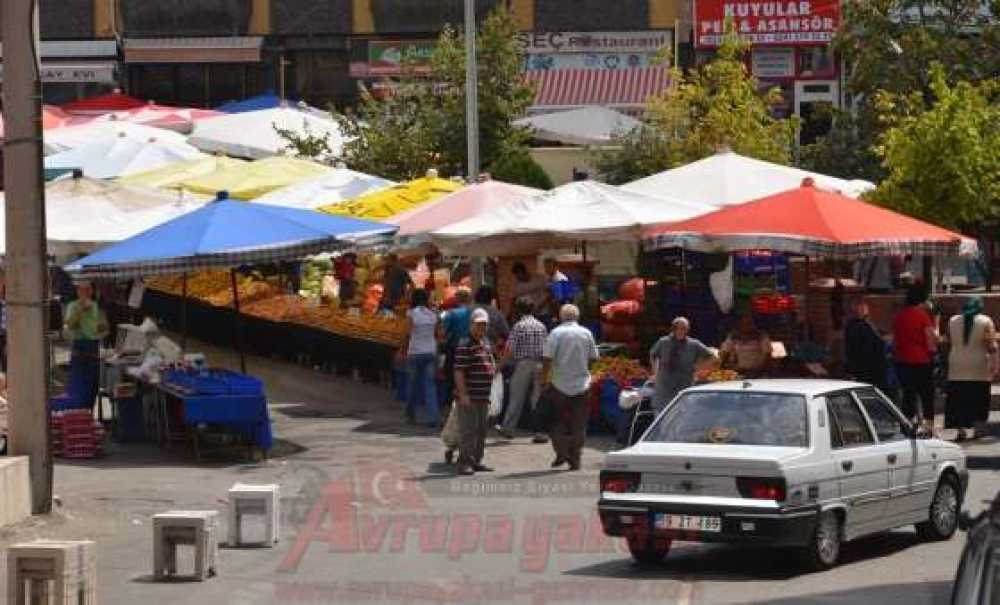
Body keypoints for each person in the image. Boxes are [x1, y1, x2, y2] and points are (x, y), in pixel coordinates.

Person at [543, 304, 599, 471]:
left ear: (561, 317)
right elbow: (594, 358)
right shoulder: (586, 333)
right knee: (579, 424)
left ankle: (562, 452)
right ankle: (576, 458)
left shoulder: (556, 333)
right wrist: (586, 370)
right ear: (577, 317)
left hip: (559, 384)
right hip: (582, 384)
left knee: (557, 421)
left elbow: (547, 359)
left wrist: (544, 381)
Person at [496, 297, 548, 442]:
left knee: (516, 397)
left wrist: (499, 366)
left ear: (518, 310)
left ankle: (508, 428)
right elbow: (547, 348)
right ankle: (540, 431)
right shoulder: (541, 326)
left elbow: (509, 349)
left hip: (524, 364)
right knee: (537, 399)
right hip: (540, 364)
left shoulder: (519, 326)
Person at [453, 308, 498, 476]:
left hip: (483, 396)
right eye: (478, 325)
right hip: (470, 396)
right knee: (468, 430)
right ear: (471, 324)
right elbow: (459, 371)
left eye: (484, 325)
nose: (482, 328)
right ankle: (464, 462)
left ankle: (476, 460)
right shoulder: (465, 344)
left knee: (481, 430)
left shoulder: (484, 343)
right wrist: (463, 394)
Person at [946, 298, 996, 441]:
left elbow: (949, 341)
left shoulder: (953, 320)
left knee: (958, 399)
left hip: (956, 365)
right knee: (978, 398)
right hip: (978, 365)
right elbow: (991, 345)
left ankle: (960, 430)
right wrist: (995, 362)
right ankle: (977, 430)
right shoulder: (986, 321)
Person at [649, 317, 718, 413]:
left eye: (684, 328)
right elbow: (653, 355)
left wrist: (698, 369)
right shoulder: (663, 342)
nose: (680, 331)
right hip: (663, 389)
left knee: (679, 419)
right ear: (673, 329)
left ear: (687, 330)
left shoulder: (693, 344)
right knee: (661, 421)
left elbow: (713, 357)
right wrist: (655, 372)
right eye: (678, 328)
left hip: (683, 388)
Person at [893, 285, 939, 423]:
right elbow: (931, 340)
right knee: (927, 395)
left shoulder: (899, 316)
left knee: (908, 395)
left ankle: (908, 424)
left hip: (902, 361)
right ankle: (929, 426)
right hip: (921, 361)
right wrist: (937, 322)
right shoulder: (922, 316)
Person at [64, 281, 109, 409]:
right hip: (79, 351)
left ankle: (88, 417)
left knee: (91, 391)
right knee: (77, 395)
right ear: (78, 292)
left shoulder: (96, 307)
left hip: (93, 350)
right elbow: (69, 325)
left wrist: (100, 330)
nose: (85, 293)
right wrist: (81, 310)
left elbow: (105, 328)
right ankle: (76, 414)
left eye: (88, 289)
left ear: (92, 291)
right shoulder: (73, 306)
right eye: (82, 290)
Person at [401, 289, 440, 427]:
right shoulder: (433, 314)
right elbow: (437, 334)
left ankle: (410, 414)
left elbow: (407, 334)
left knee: (412, 384)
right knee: (430, 385)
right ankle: (433, 417)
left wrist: (402, 351)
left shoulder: (411, 313)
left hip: (415, 352)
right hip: (430, 351)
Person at [844, 295, 889, 392]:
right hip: (867, 367)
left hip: (867, 366)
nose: (865, 309)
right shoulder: (857, 326)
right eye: (862, 306)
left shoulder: (863, 324)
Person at [440, 287, 473, 408]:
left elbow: (443, 333)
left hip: (454, 348)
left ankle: (449, 401)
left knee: (450, 375)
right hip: (471, 348)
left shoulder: (451, 314)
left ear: (457, 298)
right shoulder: (474, 313)